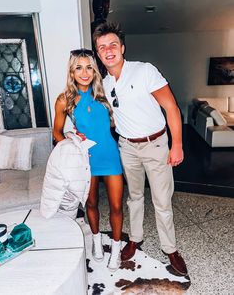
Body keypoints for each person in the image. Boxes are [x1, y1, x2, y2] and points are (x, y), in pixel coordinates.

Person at [93, 23, 188, 276]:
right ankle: (135, 238)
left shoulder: (145, 71)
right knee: (134, 197)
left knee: (162, 201)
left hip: (156, 145)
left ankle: (170, 249)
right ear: (99, 54)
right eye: (102, 48)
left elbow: (172, 108)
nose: (108, 50)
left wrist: (176, 145)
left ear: (122, 48)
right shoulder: (104, 83)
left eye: (113, 45)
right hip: (127, 147)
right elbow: (105, 117)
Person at [53, 48, 124, 272]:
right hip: (85, 159)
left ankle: (115, 248)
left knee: (116, 206)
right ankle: (96, 242)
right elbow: (56, 132)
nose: (84, 73)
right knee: (91, 203)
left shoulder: (105, 94)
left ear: (95, 70)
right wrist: (71, 140)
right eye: (78, 68)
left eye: (89, 67)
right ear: (72, 72)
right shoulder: (65, 99)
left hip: (110, 156)